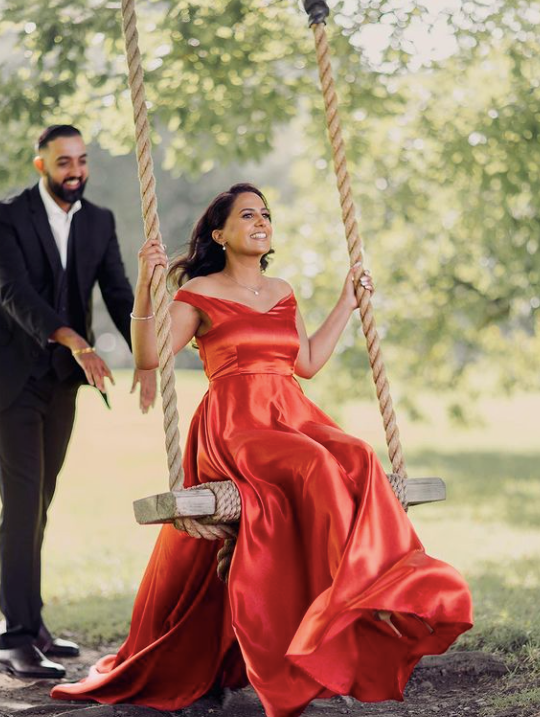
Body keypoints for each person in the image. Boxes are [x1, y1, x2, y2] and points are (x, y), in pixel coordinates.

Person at [51, 183, 472, 715]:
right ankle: (339, 605)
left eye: (266, 215)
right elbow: (151, 354)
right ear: (219, 234)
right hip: (236, 424)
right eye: (247, 215)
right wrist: (145, 285)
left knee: (361, 456)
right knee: (316, 464)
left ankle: (376, 587)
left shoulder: (283, 289)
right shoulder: (198, 292)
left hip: (290, 413)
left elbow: (309, 361)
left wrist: (349, 300)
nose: (261, 222)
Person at [0, 125, 157, 679]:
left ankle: (30, 623)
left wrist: (147, 358)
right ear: (41, 165)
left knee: (39, 503)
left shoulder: (99, 221)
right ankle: (15, 637)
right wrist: (76, 341)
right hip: (12, 382)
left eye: (82, 161)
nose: (76, 171)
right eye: (64, 162)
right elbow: (15, 294)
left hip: (62, 384)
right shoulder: (9, 216)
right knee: (21, 505)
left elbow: (117, 292)